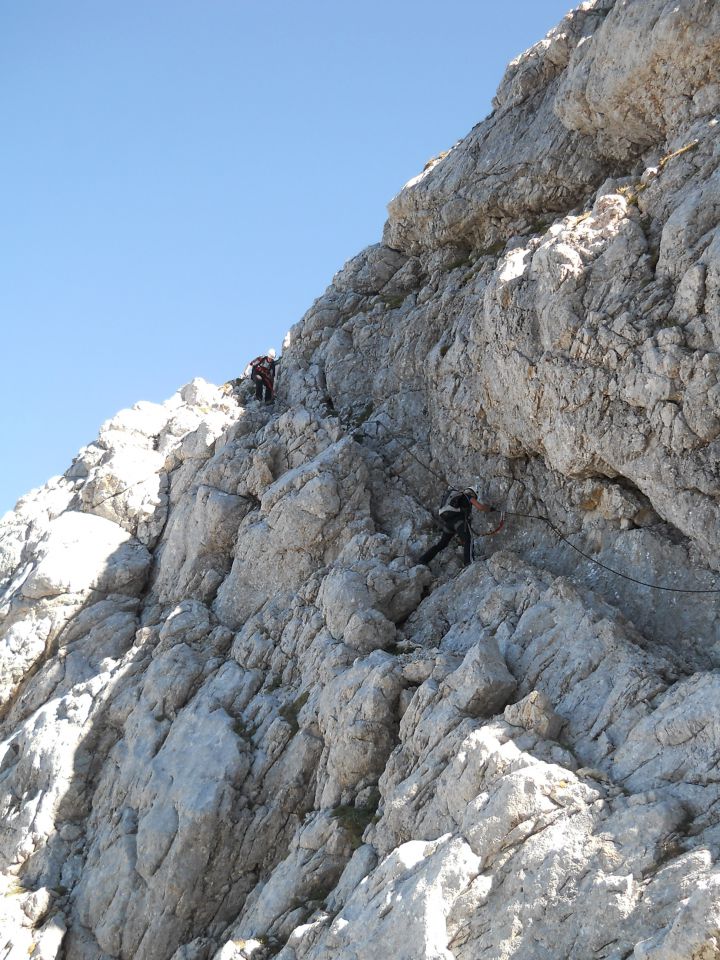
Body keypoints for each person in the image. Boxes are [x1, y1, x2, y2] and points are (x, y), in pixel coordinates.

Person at [419, 484, 494, 567]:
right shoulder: (468, 497)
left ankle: (423, 559)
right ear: (473, 493)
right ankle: (469, 562)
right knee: (468, 539)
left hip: (448, 523)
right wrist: (490, 509)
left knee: (441, 544)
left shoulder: (458, 499)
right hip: (459, 522)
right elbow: (480, 507)